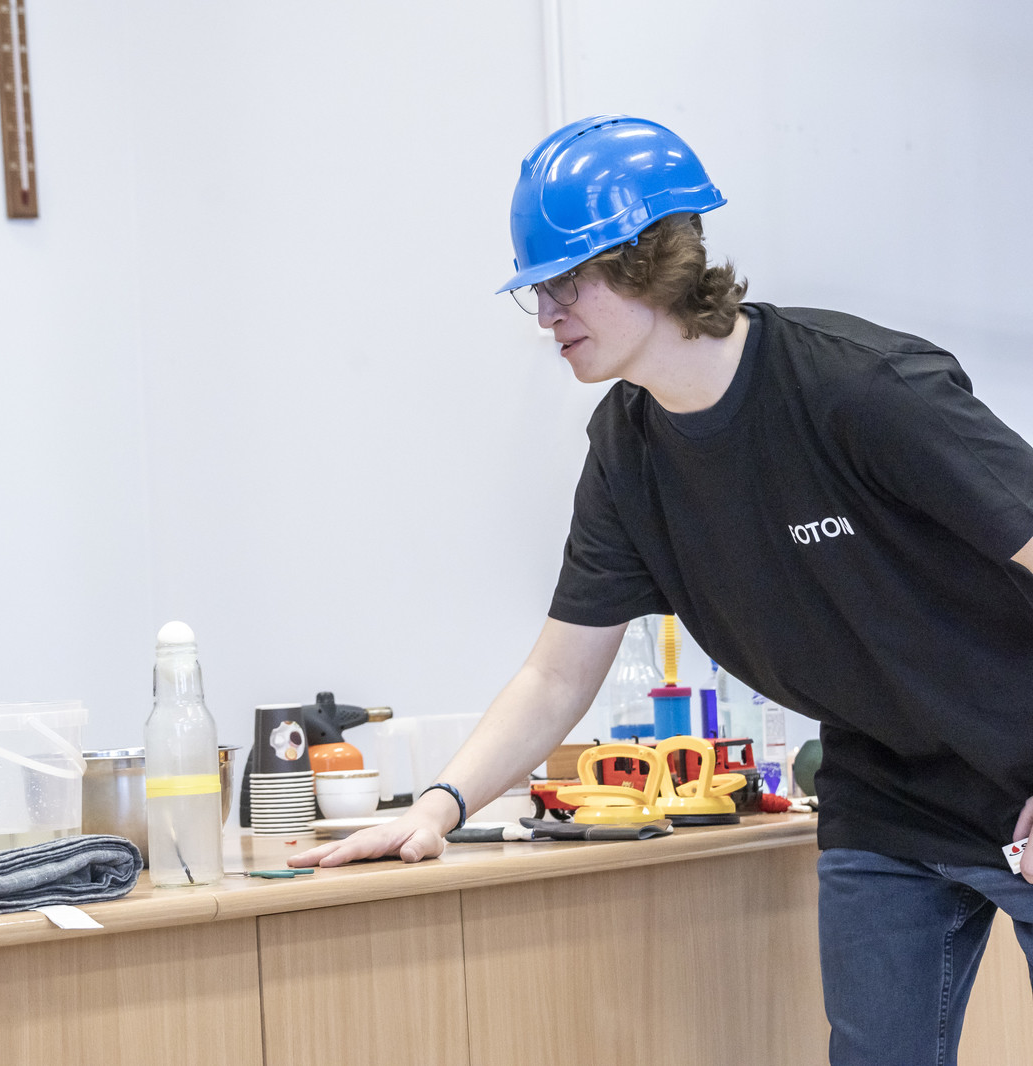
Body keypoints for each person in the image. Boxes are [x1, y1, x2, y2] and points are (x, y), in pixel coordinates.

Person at [290, 115, 1033, 1064]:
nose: (547, 314)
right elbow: (558, 674)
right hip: (887, 794)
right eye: (536, 291)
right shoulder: (627, 450)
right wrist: (437, 807)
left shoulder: (861, 390)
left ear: (647, 265)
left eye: (564, 283)